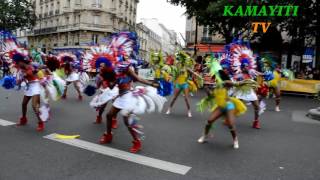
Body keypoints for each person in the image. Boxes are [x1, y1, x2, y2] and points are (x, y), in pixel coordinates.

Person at [99, 57, 160, 153]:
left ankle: (137, 142)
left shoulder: (127, 68)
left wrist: (152, 84)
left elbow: (138, 78)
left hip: (128, 97)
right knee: (109, 115)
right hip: (121, 97)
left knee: (127, 121)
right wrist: (105, 78)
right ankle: (108, 135)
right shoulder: (115, 70)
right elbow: (111, 87)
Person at [197, 70, 247, 149]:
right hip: (220, 107)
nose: (214, 78)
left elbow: (236, 84)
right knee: (209, 121)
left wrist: (246, 82)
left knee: (230, 124)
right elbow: (211, 96)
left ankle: (235, 140)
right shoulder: (215, 86)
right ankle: (205, 136)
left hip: (229, 106)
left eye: (216, 76)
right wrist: (206, 88)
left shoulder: (225, 83)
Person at [14, 53, 45, 131]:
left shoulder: (30, 65)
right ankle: (24, 119)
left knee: (34, 106)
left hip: (35, 85)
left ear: (21, 61)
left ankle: (40, 122)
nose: (16, 64)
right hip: (29, 87)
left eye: (17, 62)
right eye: (16, 63)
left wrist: (36, 70)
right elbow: (18, 83)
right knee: (24, 104)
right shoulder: (19, 70)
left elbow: (39, 69)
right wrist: (18, 81)